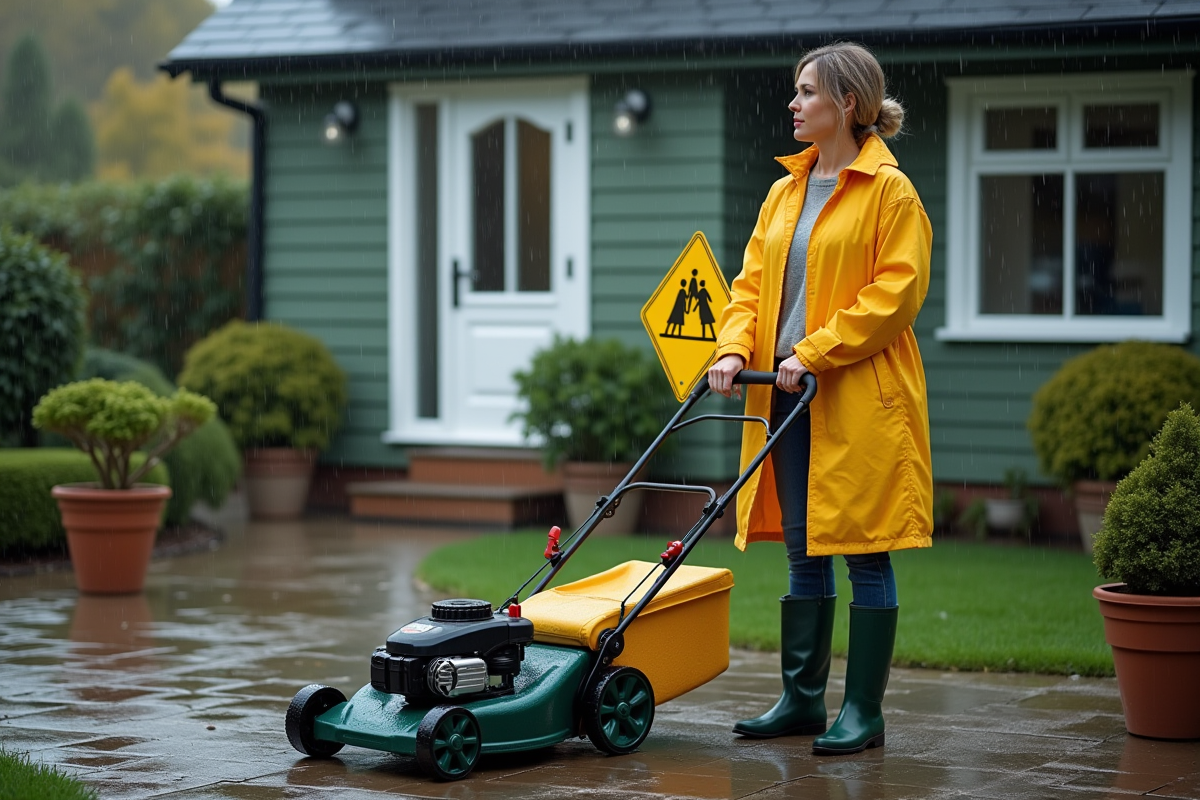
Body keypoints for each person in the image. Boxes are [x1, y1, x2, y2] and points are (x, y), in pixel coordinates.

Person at [707, 42, 933, 756]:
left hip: (856, 395)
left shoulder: (891, 194)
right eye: (796, 92)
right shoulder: (785, 192)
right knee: (804, 548)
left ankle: (863, 712)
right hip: (784, 394)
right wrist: (734, 348)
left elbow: (894, 296)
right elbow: (749, 287)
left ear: (849, 106)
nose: (794, 104)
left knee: (864, 550)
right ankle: (803, 700)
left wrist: (813, 349)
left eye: (807, 93)